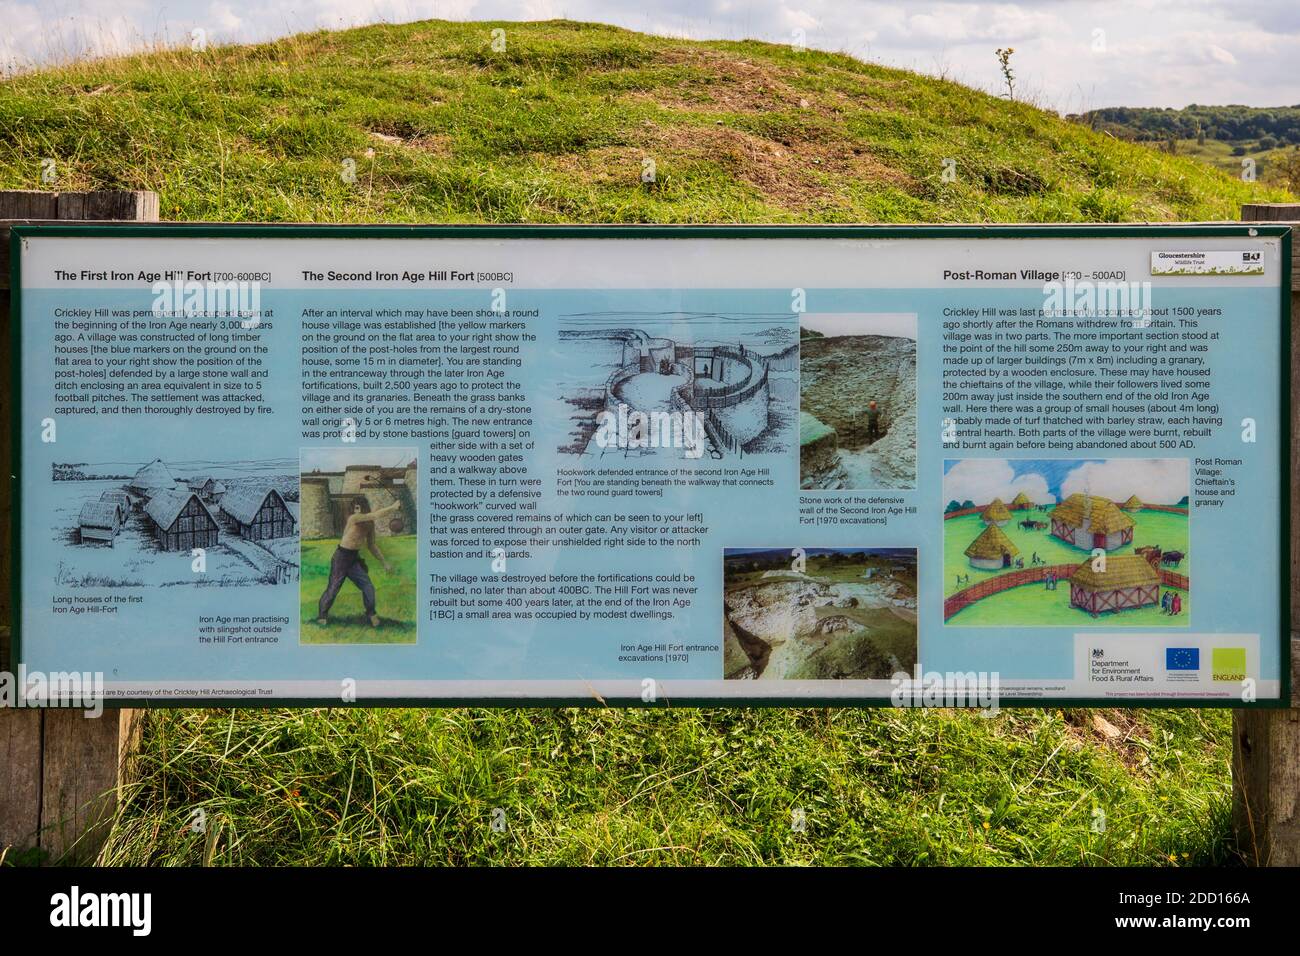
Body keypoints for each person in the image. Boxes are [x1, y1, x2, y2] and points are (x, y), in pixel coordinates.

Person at [317, 496, 401, 628]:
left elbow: (372, 545)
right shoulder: (354, 519)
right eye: (355, 508)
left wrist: (384, 563)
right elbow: (375, 515)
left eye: (358, 507)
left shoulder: (369, 524)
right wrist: (393, 507)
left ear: (364, 507)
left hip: (353, 559)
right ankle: (322, 616)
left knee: (368, 587)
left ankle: (371, 614)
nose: (356, 510)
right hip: (341, 557)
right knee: (333, 589)